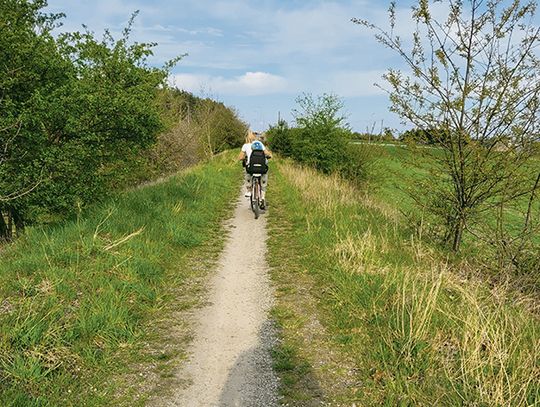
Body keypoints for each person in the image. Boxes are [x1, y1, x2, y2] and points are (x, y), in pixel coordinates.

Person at [238, 130, 272, 204]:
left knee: (248, 173)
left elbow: (240, 157)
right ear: (254, 137)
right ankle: (262, 198)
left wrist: (244, 158)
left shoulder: (245, 146)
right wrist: (269, 155)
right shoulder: (259, 144)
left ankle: (249, 190)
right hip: (262, 167)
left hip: (251, 167)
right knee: (263, 180)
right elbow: (267, 153)